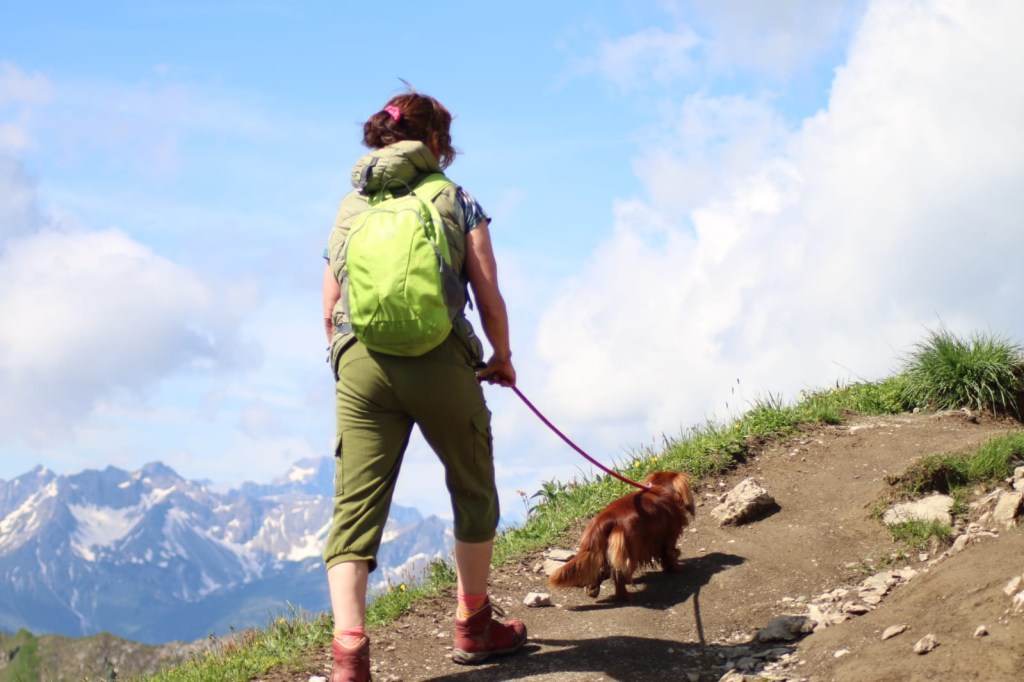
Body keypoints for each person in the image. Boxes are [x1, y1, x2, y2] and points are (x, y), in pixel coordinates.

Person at [320, 91, 526, 682]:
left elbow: (330, 304)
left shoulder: (350, 206)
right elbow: (488, 296)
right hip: (441, 361)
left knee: (355, 508)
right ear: (436, 141)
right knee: (472, 485)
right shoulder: (456, 199)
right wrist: (501, 358)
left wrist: (346, 360)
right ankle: (474, 624)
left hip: (362, 365)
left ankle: (350, 657)